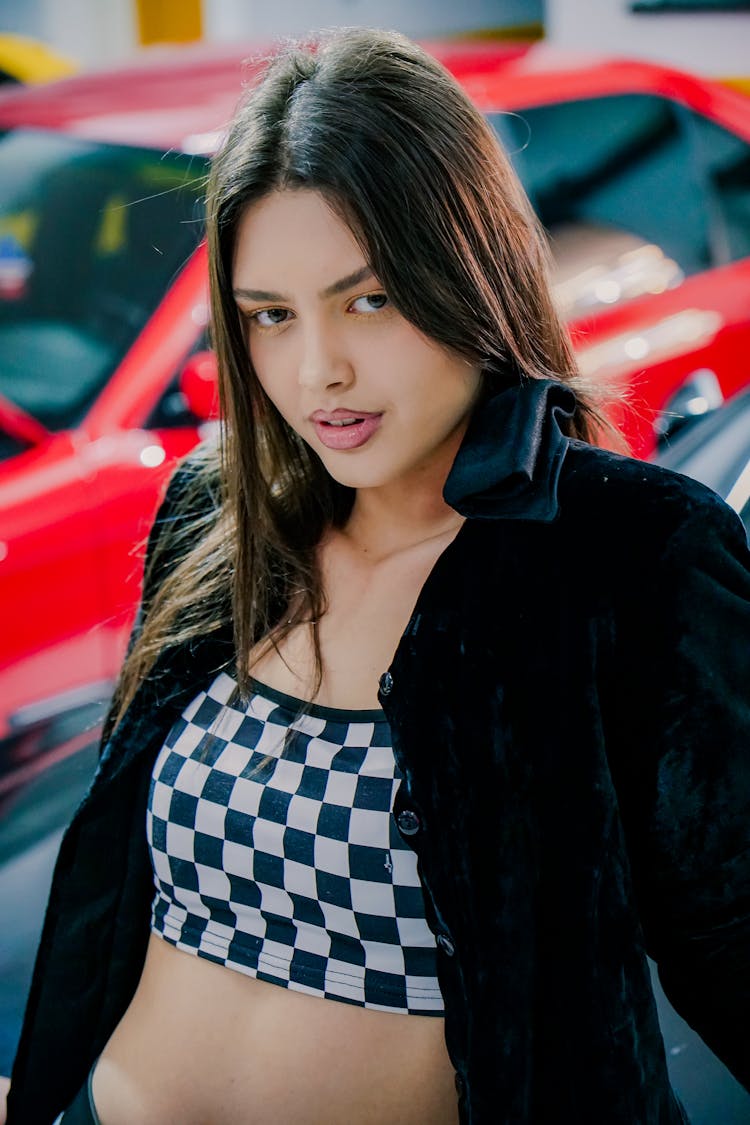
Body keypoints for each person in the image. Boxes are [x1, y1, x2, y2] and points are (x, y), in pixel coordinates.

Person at [4, 26, 750, 1125]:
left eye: (371, 301)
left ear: (469, 280)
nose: (319, 372)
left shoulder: (627, 554)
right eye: (270, 316)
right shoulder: (216, 508)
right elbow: (114, 903)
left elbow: (735, 940)